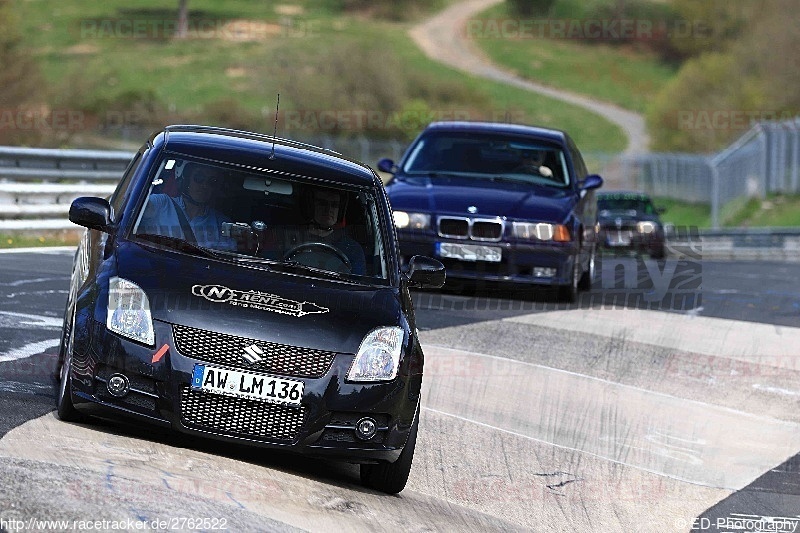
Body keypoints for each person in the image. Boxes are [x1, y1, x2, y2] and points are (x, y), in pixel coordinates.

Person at [137, 161, 237, 251]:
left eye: (212, 181)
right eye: (199, 178)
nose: (205, 185)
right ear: (186, 179)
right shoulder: (162, 203)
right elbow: (132, 207)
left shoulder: (222, 224)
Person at [279, 186, 366, 275]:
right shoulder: (289, 237)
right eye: (322, 203)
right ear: (311, 207)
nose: (328, 210)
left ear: (340, 211)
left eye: (334, 205)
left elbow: (357, 283)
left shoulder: (352, 248)